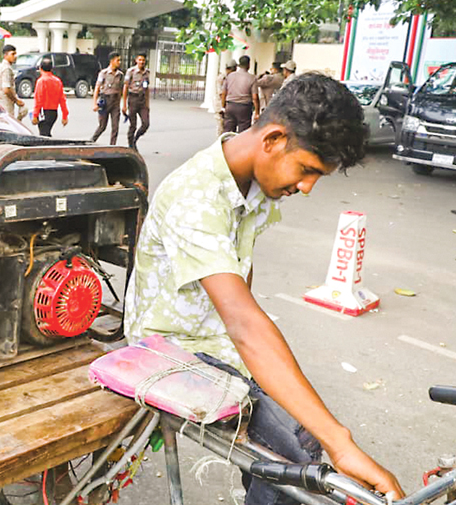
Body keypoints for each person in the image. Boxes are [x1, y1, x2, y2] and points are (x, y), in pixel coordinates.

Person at [124, 73, 404, 505]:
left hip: (220, 343)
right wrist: (341, 442)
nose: (307, 188)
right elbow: (244, 324)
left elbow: (242, 289)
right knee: (300, 463)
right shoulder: (195, 196)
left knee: (302, 443)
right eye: (307, 170)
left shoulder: (252, 186)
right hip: (171, 349)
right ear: (272, 139)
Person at [92, 51, 124, 145]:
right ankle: (91, 140)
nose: (119, 62)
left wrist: (120, 103)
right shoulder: (104, 73)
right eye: (117, 60)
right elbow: (97, 87)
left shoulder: (120, 75)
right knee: (102, 126)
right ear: (112, 61)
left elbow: (120, 89)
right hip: (105, 100)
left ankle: (112, 146)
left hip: (115, 102)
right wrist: (94, 103)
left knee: (115, 127)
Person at [221, 55, 260, 133]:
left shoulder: (230, 76)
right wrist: (257, 112)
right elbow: (255, 97)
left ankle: (227, 141)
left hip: (230, 106)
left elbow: (224, 92)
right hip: (244, 108)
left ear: (239, 64)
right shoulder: (252, 78)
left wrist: (223, 106)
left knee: (228, 131)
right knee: (243, 131)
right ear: (248, 65)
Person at [31, 58, 68, 137]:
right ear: (51, 69)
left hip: (43, 112)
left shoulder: (41, 81)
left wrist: (35, 115)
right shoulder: (57, 81)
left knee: (44, 134)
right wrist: (65, 115)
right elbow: (62, 99)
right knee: (46, 132)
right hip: (53, 112)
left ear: (40, 68)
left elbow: (39, 99)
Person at [122, 51, 151, 149]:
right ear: (136, 60)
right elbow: (125, 87)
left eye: (143, 60)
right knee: (133, 125)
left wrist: (147, 103)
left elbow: (147, 88)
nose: (141, 62)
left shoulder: (147, 72)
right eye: (140, 60)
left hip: (142, 100)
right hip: (133, 99)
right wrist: (124, 104)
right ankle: (131, 144)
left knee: (146, 124)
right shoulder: (131, 71)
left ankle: (135, 139)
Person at [0, 44, 24, 120]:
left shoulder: (1, 66)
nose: (15, 56)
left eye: (15, 54)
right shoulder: (6, 69)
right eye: (12, 54)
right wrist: (16, 100)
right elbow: (6, 89)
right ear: (5, 55)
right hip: (5, 102)